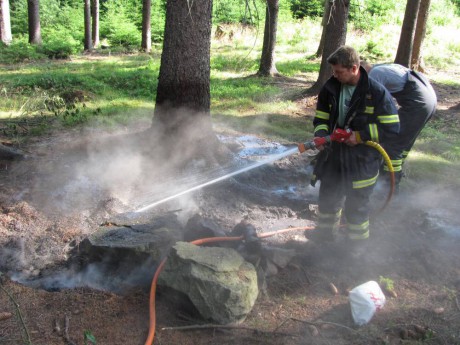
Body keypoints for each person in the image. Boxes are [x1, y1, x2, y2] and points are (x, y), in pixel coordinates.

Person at [306, 46, 399, 248]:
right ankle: (324, 237)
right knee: (328, 198)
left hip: (361, 160)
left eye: (339, 72)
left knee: (356, 207)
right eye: (334, 71)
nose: (335, 75)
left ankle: (354, 249)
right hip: (334, 155)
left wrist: (360, 136)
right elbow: (321, 117)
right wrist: (321, 135)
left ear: (354, 68)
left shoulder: (375, 93)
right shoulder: (330, 88)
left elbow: (392, 128)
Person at [360, 62, 437, 190]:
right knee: (403, 143)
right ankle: (395, 174)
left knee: (393, 144)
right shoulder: (381, 67)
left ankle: (389, 187)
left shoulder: (373, 75)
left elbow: (372, 106)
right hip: (428, 99)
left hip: (418, 103)